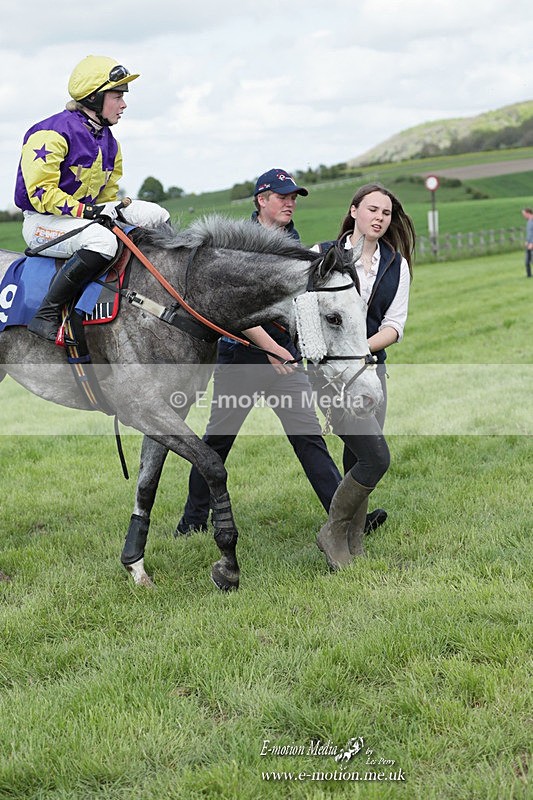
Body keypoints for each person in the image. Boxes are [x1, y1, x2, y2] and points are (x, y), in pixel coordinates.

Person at [177, 168, 344, 534]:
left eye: (294, 197)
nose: (290, 203)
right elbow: (230, 309)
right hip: (242, 359)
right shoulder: (238, 245)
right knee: (219, 440)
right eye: (283, 196)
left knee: (308, 437)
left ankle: (343, 516)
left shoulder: (295, 244)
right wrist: (270, 348)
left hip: (285, 358)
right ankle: (192, 521)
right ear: (261, 200)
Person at [14, 54, 170, 342]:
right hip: (43, 223)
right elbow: (40, 194)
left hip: (85, 216)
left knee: (156, 214)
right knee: (103, 240)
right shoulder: (50, 133)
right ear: (95, 98)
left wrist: (102, 211)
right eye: (117, 96)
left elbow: (109, 195)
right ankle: (46, 313)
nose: (123, 104)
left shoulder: (110, 141)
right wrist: (89, 212)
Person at [311, 182, 416, 570]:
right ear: (354, 211)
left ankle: (354, 542)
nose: (380, 218)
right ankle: (333, 532)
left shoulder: (395, 264)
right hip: (333, 376)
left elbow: (395, 324)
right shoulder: (321, 256)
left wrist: (363, 349)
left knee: (357, 454)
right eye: (372, 210)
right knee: (376, 456)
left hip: (373, 370)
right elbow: (303, 312)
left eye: (386, 213)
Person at [521, 208, 533, 278]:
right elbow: (529, 233)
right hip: (529, 244)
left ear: (528, 213)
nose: (523, 216)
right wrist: (527, 241)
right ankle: (529, 276)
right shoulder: (528, 222)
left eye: (524, 214)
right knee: (527, 261)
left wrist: (532, 243)